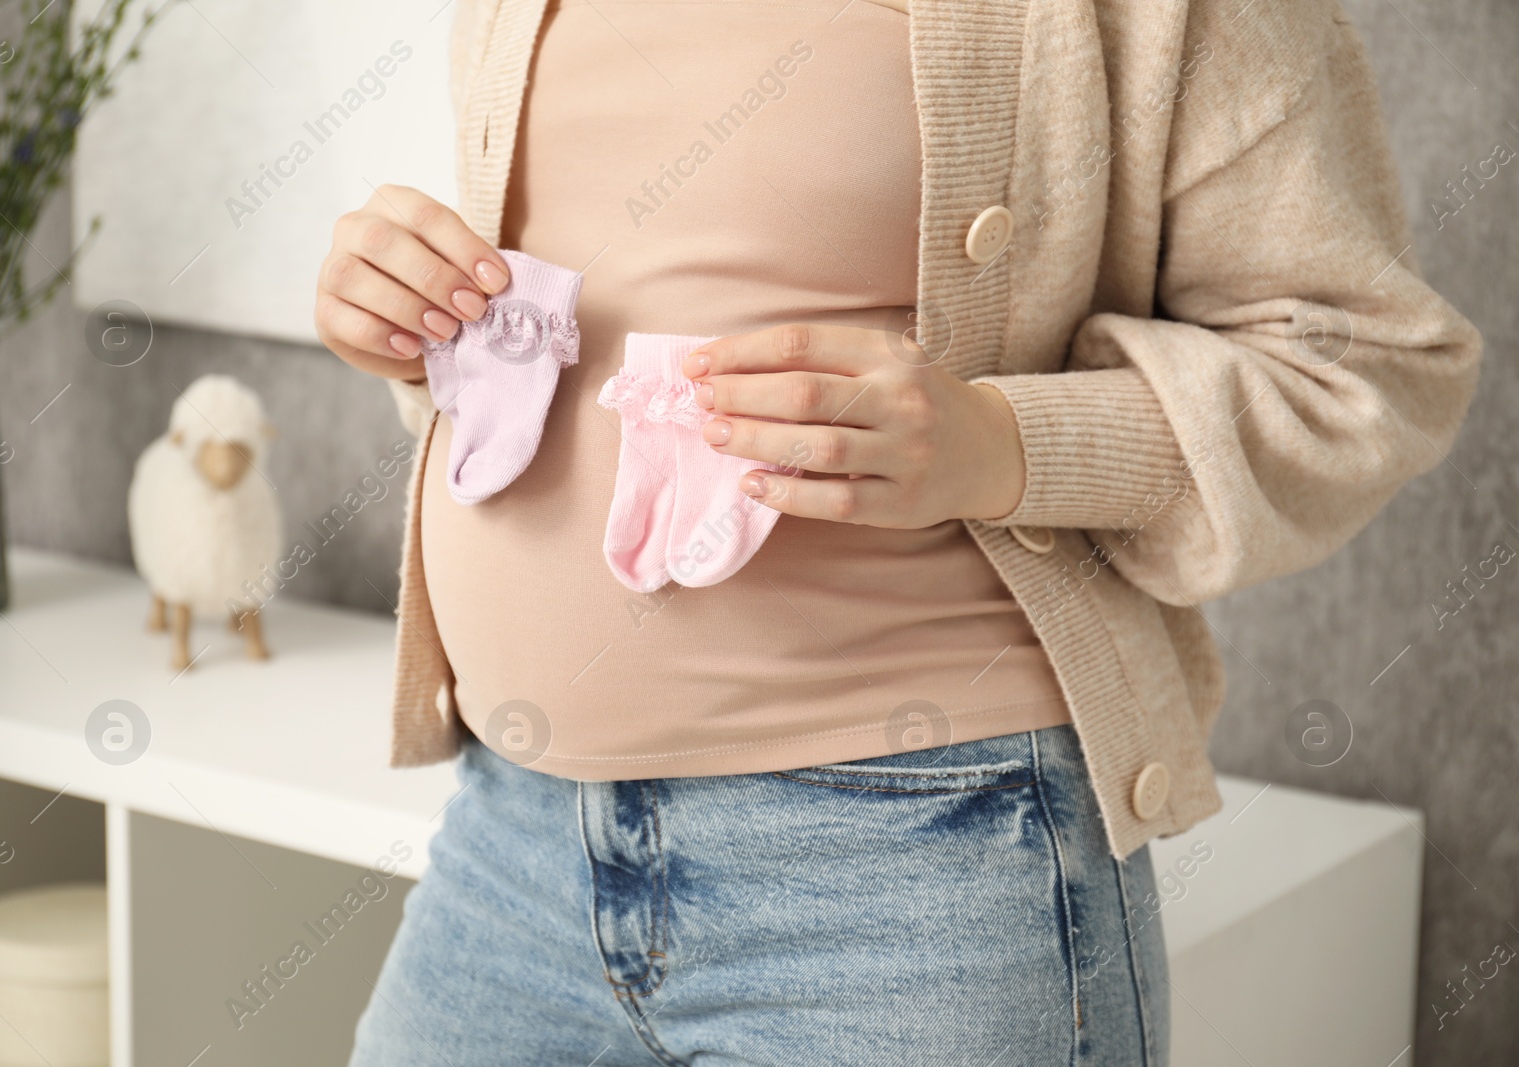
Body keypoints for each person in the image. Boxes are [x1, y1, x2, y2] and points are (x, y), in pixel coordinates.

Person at [315, 0, 1482, 1062]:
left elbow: (1362, 376)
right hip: (512, 834)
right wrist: (422, 331)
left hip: (921, 868)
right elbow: (600, 321)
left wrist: (999, 442)